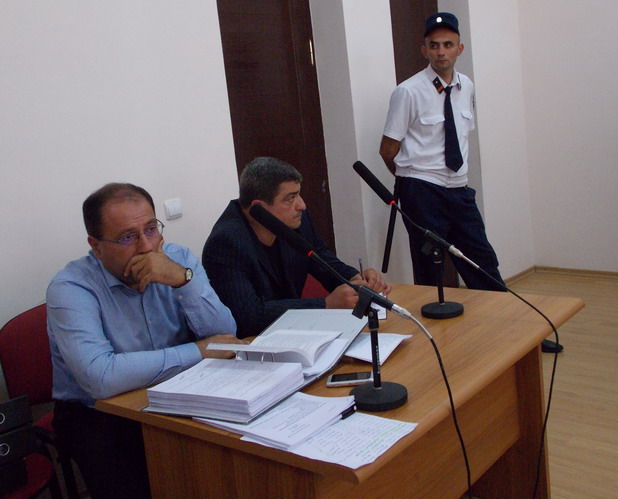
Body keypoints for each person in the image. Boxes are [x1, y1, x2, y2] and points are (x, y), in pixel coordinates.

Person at [379, 12, 562, 353]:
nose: (441, 52)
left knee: (482, 261)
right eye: (434, 45)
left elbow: (461, 137)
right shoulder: (408, 92)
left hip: (458, 189)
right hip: (422, 190)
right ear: (424, 50)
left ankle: (519, 337)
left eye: (448, 45)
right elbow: (388, 150)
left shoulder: (467, 87)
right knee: (430, 270)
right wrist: (413, 183)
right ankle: (438, 346)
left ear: (459, 49)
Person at [47, 183, 243, 498]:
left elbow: (225, 336)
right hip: (99, 413)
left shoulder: (177, 259)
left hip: (178, 388)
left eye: (151, 228)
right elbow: (101, 377)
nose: (147, 246)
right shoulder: (71, 288)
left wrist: (183, 280)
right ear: (96, 245)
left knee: (233, 462)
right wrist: (197, 352)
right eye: (128, 237)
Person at [202, 157, 391, 338]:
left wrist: (356, 280)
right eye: (290, 198)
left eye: (298, 194)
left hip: (298, 332)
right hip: (255, 344)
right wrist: (325, 304)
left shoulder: (296, 221)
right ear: (259, 208)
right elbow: (248, 317)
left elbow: (323, 261)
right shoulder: (226, 243)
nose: (302, 205)